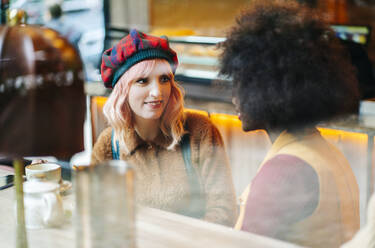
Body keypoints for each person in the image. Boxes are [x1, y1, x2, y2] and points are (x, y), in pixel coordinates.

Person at [219, 0, 360, 247]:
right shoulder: (326, 152)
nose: (234, 96)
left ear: (271, 89)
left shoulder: (284, 170)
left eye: (242, 82)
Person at [91, 29, 237, 226]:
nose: (156, 92)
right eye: (142, 81)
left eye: (164, 79)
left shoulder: (200, 131)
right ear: (123, 91)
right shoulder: (108, 145)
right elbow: (99, 214)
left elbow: (224, 211)